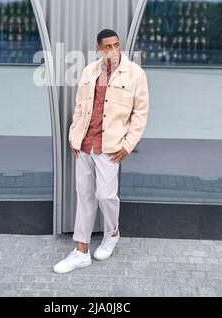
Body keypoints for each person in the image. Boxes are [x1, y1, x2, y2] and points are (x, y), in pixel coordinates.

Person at [53, 28, 149, 274]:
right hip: (85, 145)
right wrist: (74, 136)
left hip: (111, 147)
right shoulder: (89, 71)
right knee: (84, 196)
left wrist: (128, 145)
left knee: (106, 195)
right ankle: (81, 251)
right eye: (107, 46)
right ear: (99, 49)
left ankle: (112, 232)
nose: (113, 50)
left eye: (116, 45)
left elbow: (140, 114)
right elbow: (79, 106)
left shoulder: (135, 74)